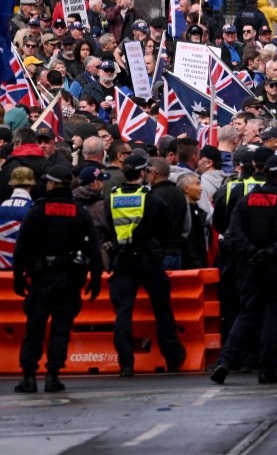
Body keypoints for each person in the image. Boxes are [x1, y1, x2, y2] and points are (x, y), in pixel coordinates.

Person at [210, 156, 277, 385]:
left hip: (251, 266)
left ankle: (226, 360)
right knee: (273, 316)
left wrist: (252, 252)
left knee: (248, 314)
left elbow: (234, 232)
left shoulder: (247, 200)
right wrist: (270, 252)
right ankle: (268, 368)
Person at [11, 165, 102, 393]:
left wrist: (18, 276)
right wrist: (97, 276)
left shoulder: (37, 210)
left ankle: (29, 376)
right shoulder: (79, 212)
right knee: (61, 328)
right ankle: (53, 375)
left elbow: (22, 246)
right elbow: (93, 246)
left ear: (51, 184)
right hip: (69, 279)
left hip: (41, 278)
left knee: (35, 327)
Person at [103, 154, 188, 376]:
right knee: (162, 310)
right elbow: (167, 229)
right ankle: (172, 357)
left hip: (122, 259)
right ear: (142, 173)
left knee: (123, 313)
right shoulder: (151, 199)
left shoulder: (111, 198)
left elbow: (109, 228)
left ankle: (126, 364)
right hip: (148, 259)